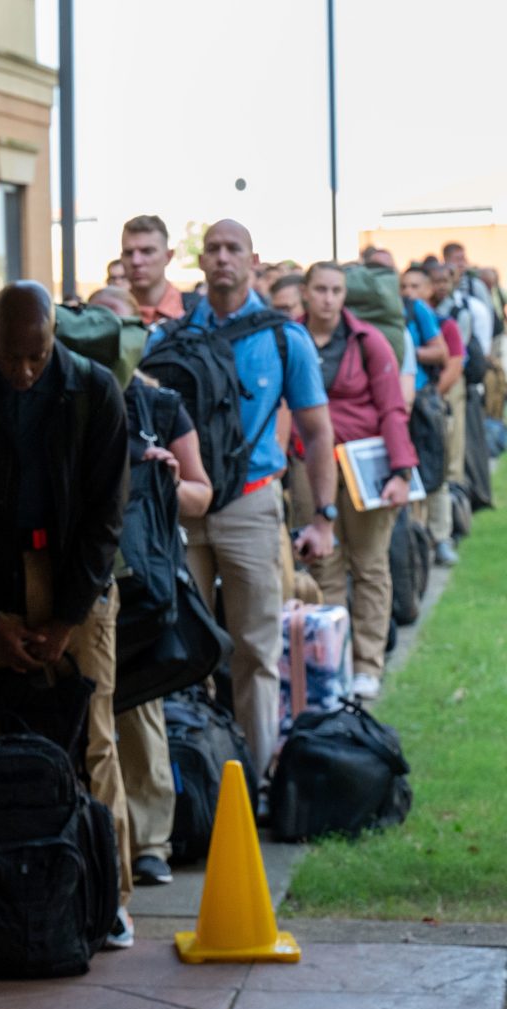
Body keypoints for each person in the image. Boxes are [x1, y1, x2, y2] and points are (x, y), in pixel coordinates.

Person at [0, 281, 135, 947]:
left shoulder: (95, 389)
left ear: (55, 340)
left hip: (74, 578)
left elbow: (107, 516)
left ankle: (109, 895)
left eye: (36, 357)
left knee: (93, 738)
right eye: (11, 356)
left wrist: (68, 617)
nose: (22, 371)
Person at [146, 220, 336, 783]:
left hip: (251, 507)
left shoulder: (284, 339)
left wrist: (322, 517)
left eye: (234, 249)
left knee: (255, 651)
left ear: (253, 260)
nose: (223, 258)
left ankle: (254, 781)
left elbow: (317, 431)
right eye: (214, 250)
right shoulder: (170, 338)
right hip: (182, 508)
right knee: (181, 649)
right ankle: (195, 779)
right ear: (200, 262)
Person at [85, 287, 211, 888]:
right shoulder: (71, 402)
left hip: (145, 580)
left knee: (136, 703)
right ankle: (87, 831)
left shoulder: (160, 406)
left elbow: (200, 494)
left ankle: (151, 839)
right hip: (82, 574)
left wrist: (165, 475)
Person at [293, 263, 416, 702]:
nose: (328, 298)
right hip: (307, 463)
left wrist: (401, 473)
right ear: (305, 292)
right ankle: (332, 662)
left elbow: (392, 409)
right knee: (322, 564)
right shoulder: (290, 337)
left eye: (336, 290)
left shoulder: (368, 340)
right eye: (320, 289)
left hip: (365, 463)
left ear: (346, 295)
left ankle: (367, 664)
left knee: (369, 566)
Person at [401, 265, 463, 564]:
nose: (409, 292)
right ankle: (417, 538)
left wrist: (432, 396)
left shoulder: (435, 320)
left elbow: (449, 360)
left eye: (415, 286)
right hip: (403, 408)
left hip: (425, 405)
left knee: (435, 473)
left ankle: (440, 537)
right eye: (405, 286)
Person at [121, 215, 186, 327]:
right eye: (129, 253)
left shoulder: (198, 314)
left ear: (168, 256)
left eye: (147, 251)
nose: (136, 261)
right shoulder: (108, 317)